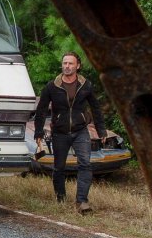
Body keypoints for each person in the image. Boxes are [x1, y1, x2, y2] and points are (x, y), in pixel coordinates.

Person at [34, 51, 106, 214]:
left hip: (80, 131)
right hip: (59, 132)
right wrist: (38, 132)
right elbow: (41, 109)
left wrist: (101, 130)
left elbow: (95, 107)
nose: (67, 66)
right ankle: (60, 198)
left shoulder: (86, 85)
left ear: (77, 66)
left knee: (85, 164)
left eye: (70, 63)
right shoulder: (52, 86)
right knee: (59, 167)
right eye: (65, 63)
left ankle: (82, 201)